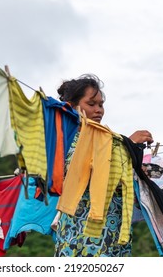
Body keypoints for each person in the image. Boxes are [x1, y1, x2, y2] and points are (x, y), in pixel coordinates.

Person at [53, 74, 153, 257]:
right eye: (91, 104)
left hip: (112, 233)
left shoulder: (107, 139)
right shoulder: (69, 139)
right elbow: (85, 169)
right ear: (72, 107)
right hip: (81, 235)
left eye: (101, 104)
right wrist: (128, 144)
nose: (99, 110)